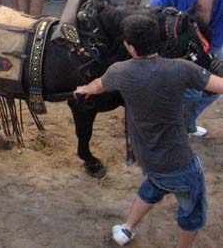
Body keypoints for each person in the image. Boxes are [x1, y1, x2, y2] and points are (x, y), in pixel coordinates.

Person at [74, 14, 223, 248]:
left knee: (153, 185)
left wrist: (83, 89)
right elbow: (219, 85)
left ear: (130, 47)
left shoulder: (119, 71)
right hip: (179, 163)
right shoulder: (182, 68)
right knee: (192, 214)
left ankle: (126, 229)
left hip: (146, 156)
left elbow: (98, 86)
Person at [150, 0, 223, 138]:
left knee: (217, 86)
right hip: (183, 44)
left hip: (213, 43)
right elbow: (155, 7)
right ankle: (174, 127)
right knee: (192, 92)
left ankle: (186, 123)